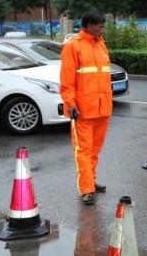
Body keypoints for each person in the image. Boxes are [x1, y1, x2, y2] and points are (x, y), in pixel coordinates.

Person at [60, 11, 113, 205]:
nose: (102, 29)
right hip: (83, 110)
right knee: (83, 150)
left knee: (94, 150)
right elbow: (67, 80)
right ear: (89, 26)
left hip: (102, 108)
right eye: (99, 26)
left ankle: (90, 180)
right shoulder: (73, 46)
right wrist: (70, 104)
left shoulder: (101, 45)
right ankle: (86, 188)